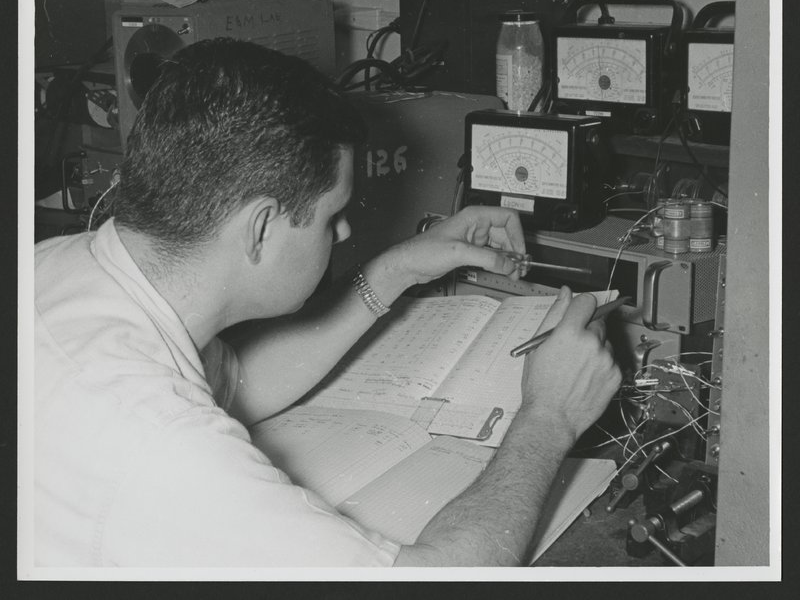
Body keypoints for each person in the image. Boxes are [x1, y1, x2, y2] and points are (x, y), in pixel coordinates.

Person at [33, 38, 621, 567]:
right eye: (332, 216)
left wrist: (395, 270)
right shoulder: (170, 447)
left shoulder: (62, 266)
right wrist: (549, 417)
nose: (342, 235)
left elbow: (236, 387)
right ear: (261, 228)